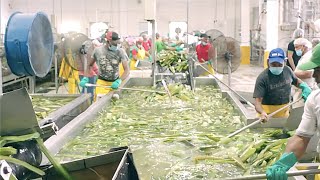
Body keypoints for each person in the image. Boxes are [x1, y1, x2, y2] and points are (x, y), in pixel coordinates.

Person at [265, 44, 320, 180]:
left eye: (318, 71)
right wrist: (283, 163)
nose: (315, 77)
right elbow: (302, 137)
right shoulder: (315, 99)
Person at [253, 48, 311, 120]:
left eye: (280, 64)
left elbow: (296, 81)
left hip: (284, 113)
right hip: (267, 115)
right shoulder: (262, 78)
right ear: (268, 62)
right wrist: (262, 112)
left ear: (285, 61)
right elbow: (257, 102)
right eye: (273, 64)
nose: (276, 67)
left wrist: (304, 86)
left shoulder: (288, 70)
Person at [79, 31, 130, 100]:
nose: (116, 46)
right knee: (99, 102)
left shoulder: (120, 52)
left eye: (117, 44)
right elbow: (89, 65)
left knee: (113, 104)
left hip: (114, 83)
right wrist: (86, 77)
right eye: (114, 44)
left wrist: (119, 81)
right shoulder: (98, 51)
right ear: (108, 41)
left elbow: (127, 70)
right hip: (101, 83)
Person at [293, 38, 317, 107]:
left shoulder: (309, 57)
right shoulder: (304, 57)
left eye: (297, 47)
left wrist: (293, 74)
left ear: (303, 46)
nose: (295, 49)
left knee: (300, 111)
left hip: (305, 89)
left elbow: (309, 73)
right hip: (300, 89)